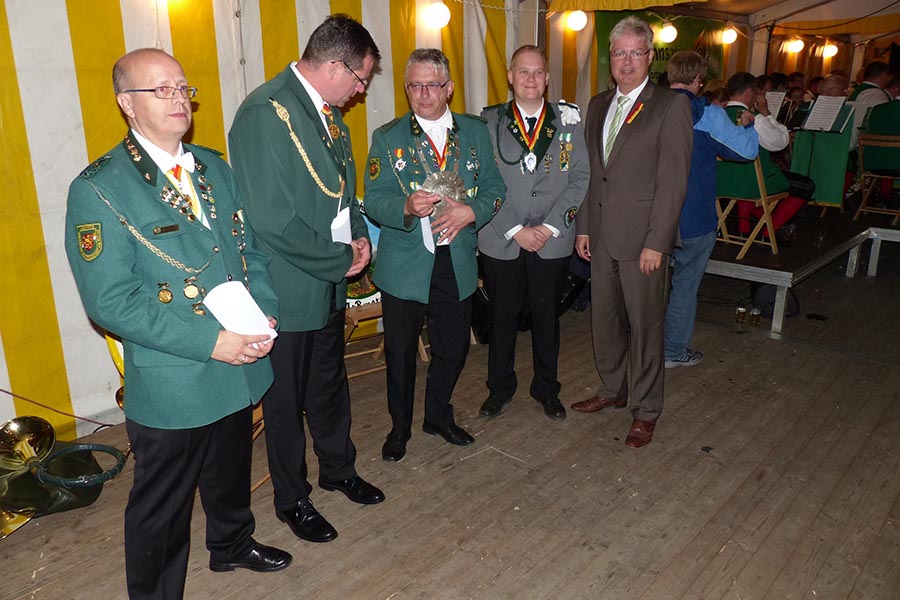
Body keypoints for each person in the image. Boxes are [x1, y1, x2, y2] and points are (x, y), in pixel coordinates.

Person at [65, 48, 291, 600]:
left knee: (230, 470)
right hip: (177, 375)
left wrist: (263, 310)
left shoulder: (213, 167)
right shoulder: (100, 188)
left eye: (183, 88)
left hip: (239, 358)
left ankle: (231, 544)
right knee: (163, 505)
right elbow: (112, 302)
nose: (179, 99)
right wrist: (212, 341)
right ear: (127, 103)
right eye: (161, 89)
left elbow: (249, 252)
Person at [228, 14, 385, 545]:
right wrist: (338, 259)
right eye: (360, 79)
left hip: (328, 278)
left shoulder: (327, 113)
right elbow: (271, 220)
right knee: (285, 400)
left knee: (329, 384)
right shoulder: (264, 113)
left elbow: (343, 189)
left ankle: (338, 469)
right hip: (289, 286)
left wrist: (359, 237)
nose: (360, 92)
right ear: (335, 66)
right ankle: (292, 498)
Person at [363, 48, 506, 462]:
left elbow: (495, 188)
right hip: (405, 264)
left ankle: (438, 416)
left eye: (432, 85)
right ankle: (399, 428)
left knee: (453, 348)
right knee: (401, 354)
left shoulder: (474, 132)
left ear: (449, 88)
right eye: (415, 86)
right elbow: (374, 199)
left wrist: (472, 211)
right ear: (406, 89)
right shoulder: (388, 137)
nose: (423, 94)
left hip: (455, 261)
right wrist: (406, 207)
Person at [570, 16, 692, 448]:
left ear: (649, 57)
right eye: (619, 53)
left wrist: (657, 242)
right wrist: (584, 227)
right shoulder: (598, 104)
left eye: (635, 53)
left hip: (643, 242)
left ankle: (646, 410)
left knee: (644, 328)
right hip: (601, 236)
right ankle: (612, 389)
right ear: (610, 57)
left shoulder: (670, 106)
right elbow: (592, 173)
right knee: (604, 322)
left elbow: (673, 182)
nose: (626, 62)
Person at [477, 45, 590, 420]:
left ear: (547, 77)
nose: (530, 79)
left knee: (547, 319)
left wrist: (550, 226)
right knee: (502, 318)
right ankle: (499, 388)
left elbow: (580, 178)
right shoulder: (489, 122)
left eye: (538, 72)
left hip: (551, 238)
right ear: (510, 77)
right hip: (502, 237)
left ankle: (546, 389)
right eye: (523, 72)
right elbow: (481, 181)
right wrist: (514, 229)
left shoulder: (568, 121)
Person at [663, 51, 758, 369]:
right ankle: (672, 351)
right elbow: (746, 153)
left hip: (651, 216)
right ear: (698, 80)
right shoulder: (709, 114)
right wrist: (749, 126)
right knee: (684, 286)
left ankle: (639, 347)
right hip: (693, 215)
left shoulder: (648, 107)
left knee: (646, 287)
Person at [723, 72, 813, 238]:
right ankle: (768, 231)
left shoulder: (717, 115)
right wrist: (766, 113)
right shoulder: (755, 118)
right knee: (805, 186)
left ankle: (749, 226)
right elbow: (781, 143)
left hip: (721, 181)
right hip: (752, 183)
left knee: (747, 173)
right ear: (749, 92)